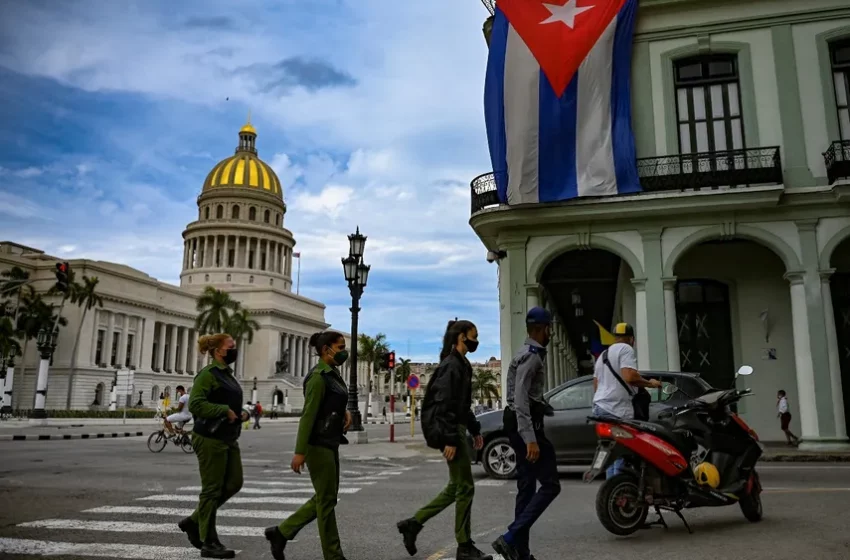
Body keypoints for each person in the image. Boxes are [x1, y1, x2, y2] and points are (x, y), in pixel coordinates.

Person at [397, 320, 491, 560]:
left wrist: (475, 429)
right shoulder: (451, 366)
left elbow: (462, 404)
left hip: (458, 429)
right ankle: (464, 546)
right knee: (466, 488)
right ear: (461, 336)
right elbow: (444, 405)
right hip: (452, 432)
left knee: (455, 488)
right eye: (473, 335)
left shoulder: (462, 365)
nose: (476, 340)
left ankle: (414, 523)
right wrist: (450, 439)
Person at [265, 330, 352, 560]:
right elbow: (308, 416)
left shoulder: (332, 373)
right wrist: (299, 452)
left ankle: (282, 533)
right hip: (318, 444)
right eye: (341, 347)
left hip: (331, 441)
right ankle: (333, 555)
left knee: (327, 498)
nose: (344, 352)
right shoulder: (317, 377)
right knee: (326, 500)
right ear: (326, 350)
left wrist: (343, 412)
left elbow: (330, 402)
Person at [493, 308, 560, 560]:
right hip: (525, 425)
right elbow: (520, 401)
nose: (551, 333)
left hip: (521, 421)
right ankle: (510, 538)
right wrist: (530, 439)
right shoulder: (532, 357)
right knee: (551, 485)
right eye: (550, 328)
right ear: (544, 329)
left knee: (526, 487)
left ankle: (521, 553)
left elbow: (527, 396)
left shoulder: (525, 353)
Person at [178, 333, 249, 559]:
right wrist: (222, 411)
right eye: (231, 346)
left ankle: (194, 521)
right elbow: (197, 404)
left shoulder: (227, 374)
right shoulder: (208, 375)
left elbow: (229, 403)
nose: (234, 349)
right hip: (209, 438)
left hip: (228, 437)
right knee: (211, 490)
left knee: (234, 483)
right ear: (219, 350)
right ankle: (209, 541)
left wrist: (241, 413)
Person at [591, 323, 661, 478]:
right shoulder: (626, 349)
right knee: (622, 452)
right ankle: (621, 492)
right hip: (617, 409)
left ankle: (611, 491)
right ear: (631, 339)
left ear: (615, 338)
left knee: (609, 452)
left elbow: (596, 384)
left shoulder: (603, 355)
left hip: (600, 407)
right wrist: (650, 383)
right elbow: (629, 376)